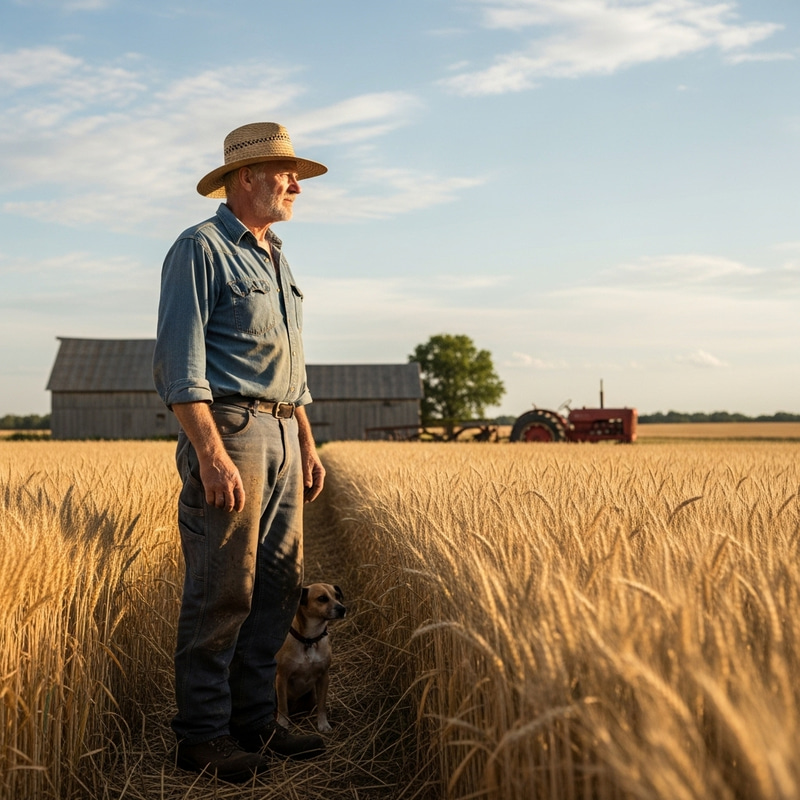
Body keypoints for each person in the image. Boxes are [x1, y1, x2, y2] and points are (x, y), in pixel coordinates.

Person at [153, 122, 328, 783]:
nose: (294, 183)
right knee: (223, 590)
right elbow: (180, 363)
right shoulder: (200, 250)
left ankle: (254, 726)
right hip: (232, 432)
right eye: (284, 172)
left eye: (295, 175)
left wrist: (306, 441)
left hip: (285, 433)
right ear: (244, 177)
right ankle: (201, 737)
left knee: (277, 590)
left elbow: (292, 369)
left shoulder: (276, 256)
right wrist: (210, 452)